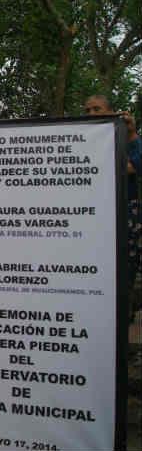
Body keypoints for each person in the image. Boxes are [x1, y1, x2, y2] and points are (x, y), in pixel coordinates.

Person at [84, 95, 142, 325]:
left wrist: (131, 133)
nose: (91, 115)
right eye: (87, 110)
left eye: (97, 109)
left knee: (124, 266)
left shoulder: (126, 138)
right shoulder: (83, 139)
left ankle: (122, 317)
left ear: (111, 112)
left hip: (124, 212)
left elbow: (133, 167)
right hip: (93, 213)